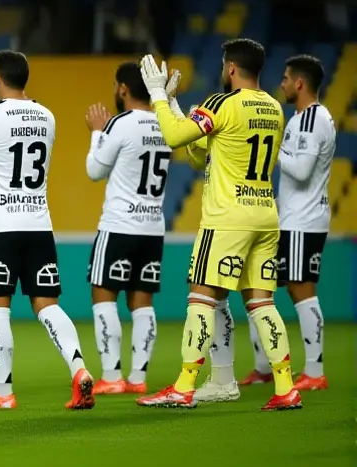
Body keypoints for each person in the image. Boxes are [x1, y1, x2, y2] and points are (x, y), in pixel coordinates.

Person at [136, 40, 301, 411]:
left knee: (202, 297)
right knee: (261, 302)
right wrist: (179, 107)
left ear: (229, 68)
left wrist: (158, 97)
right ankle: (286, 386)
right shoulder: (275, 108)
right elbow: (202, 155)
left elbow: (176, 137)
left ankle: (183, 385)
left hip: (227, 218)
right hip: (264, 216)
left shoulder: (221, 104)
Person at [0, 50, 95, 410]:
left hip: (0, 228)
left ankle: (3, 393)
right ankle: (79, 369)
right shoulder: (47, 116)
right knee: (47, 304)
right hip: (38, 224)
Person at [202, 54, 335, 400]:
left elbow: (302, 170)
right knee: (258, 290)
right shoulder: (301, 119)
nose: (283, 83)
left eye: (288, 78)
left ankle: (315, 371)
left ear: (301, 84)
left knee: (299, 290)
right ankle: (264, 368)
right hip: (291, 218)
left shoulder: (310, 120)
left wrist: (270, 149)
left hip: (301, 220)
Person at [82, 63, 179, 396]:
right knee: (143, 303)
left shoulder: (119, 124)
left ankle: (111, 375)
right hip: (152, 226)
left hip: (120, 225)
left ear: (122, 88)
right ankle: (138, 377)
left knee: (103, 295)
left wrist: (97, 130)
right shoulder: (166, 125)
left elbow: (95, 170)